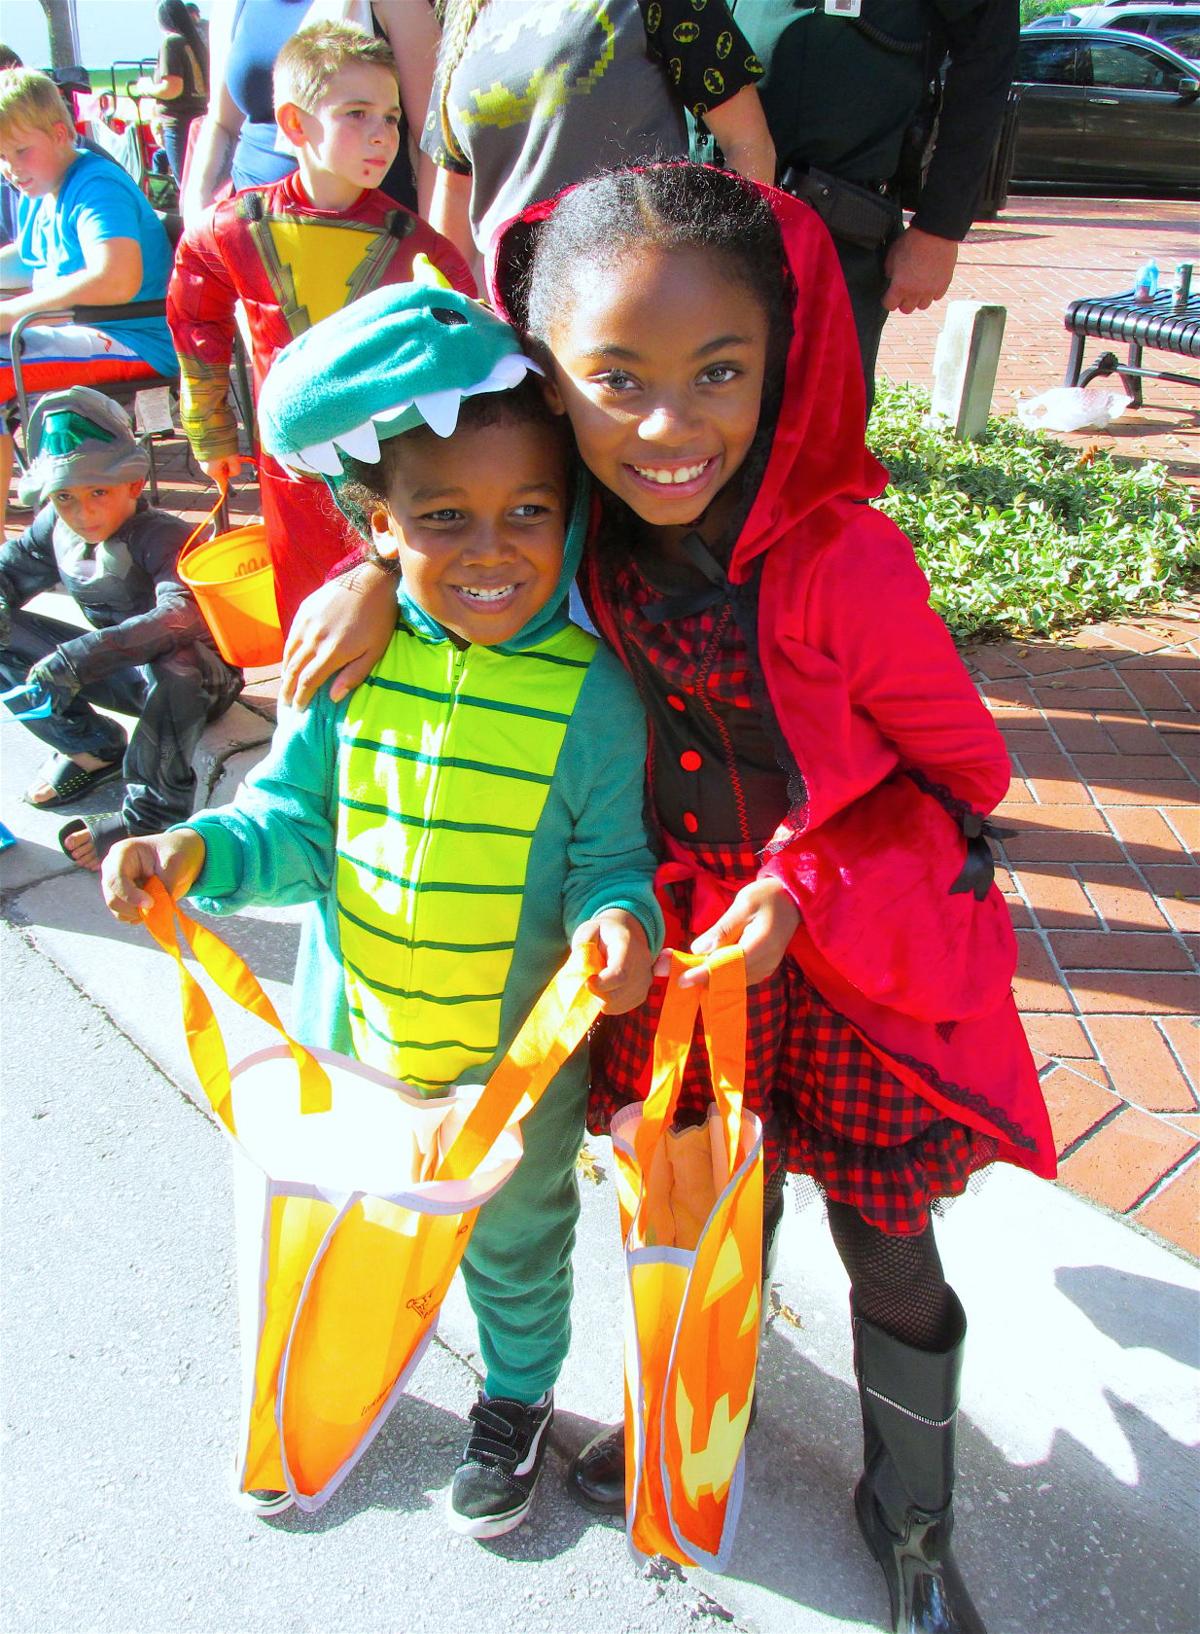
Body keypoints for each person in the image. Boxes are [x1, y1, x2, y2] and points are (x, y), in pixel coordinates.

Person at [282, 163, 1056, 1634]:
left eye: (719, 371)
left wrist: (800, 883)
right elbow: (421, 489)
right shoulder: (583, 533)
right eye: (615, 379)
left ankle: (910, 1519)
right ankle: (694, 1420)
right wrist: (364, 572)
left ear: (784, 363)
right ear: (550, 382)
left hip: (844, 960)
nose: (667, 425)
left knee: (889, 1247)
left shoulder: (844, 559)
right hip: (689, 960)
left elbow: (965, 774)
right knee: (702, 1212)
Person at [100, 280, 663, 1540]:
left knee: (517, 1243)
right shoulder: (348, 669)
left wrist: (621, 924)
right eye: (443, 515)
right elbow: (289, 830)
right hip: (356, 1044)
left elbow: (610, 863)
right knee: (348, 1216)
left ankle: (514, 1397)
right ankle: (340, 1359)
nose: (490, 548)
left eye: (528, 511)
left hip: (511, 1075)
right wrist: (191, 851)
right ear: (381, 528)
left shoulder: (598, 696)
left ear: (573, 516)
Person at [167, 20, 474, 631]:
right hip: (289, 478)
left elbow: (466, 337)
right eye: (357, 114)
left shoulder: (417, 244)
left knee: (401, 610)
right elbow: (195, 318)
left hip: (390, 468)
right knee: (307, 614)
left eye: (391, 117)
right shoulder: (235, 228)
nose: (382, 134)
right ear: (295, 124)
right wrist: (209, 429)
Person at [714, 0, 1018, 409]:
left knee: (816, 427)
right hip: (701, 217)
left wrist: (940, 228)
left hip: (833, 235)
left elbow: (987, 53)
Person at [0, 387, 242, 870]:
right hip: (123, 674)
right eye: (65, 497)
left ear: (133, 484)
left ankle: (149, 816)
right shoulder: (54, 528)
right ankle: (92, 749)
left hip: (199, 684)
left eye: (98, 493)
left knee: (179, 662)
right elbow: (8, 570)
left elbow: (179, 616)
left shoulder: (165, 536)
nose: (82, 513)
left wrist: (76, 660)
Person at [423, 0, 776, 271]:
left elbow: (747, 143)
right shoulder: (463, 14)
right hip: (510, 322)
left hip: (640, 294)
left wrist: (732, 278)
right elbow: (453, 190)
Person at [0, 69, 175, 534]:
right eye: (1, 157)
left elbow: (116, 278)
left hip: (135, 336)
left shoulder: (96, 185)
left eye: (20, 151)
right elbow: (27, 259)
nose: (10, 168)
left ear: (60, 133)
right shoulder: (42, 186)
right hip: (87, 329)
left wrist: (12, 312)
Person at [182, 0, 443, 224]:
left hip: (369, 238)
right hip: (251, 229)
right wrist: (197, 216)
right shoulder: (235, 6)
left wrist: (434, 249)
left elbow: (435, 141)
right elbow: (220, 123)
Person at [131, 0, 210, 184]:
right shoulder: (195, 42)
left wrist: (145, 87)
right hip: (198, 120)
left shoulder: (171, 42)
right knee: (200, 182)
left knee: (185, 183)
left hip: (178, 124)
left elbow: (172, 88)